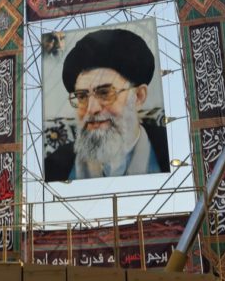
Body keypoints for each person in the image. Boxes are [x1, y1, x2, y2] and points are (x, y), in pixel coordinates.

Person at [44, 29, 170, 181]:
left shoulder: (170, 149)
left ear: (138, 97)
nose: (91, 109)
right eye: (82, 96)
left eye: (104, 93)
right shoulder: (53, 167)